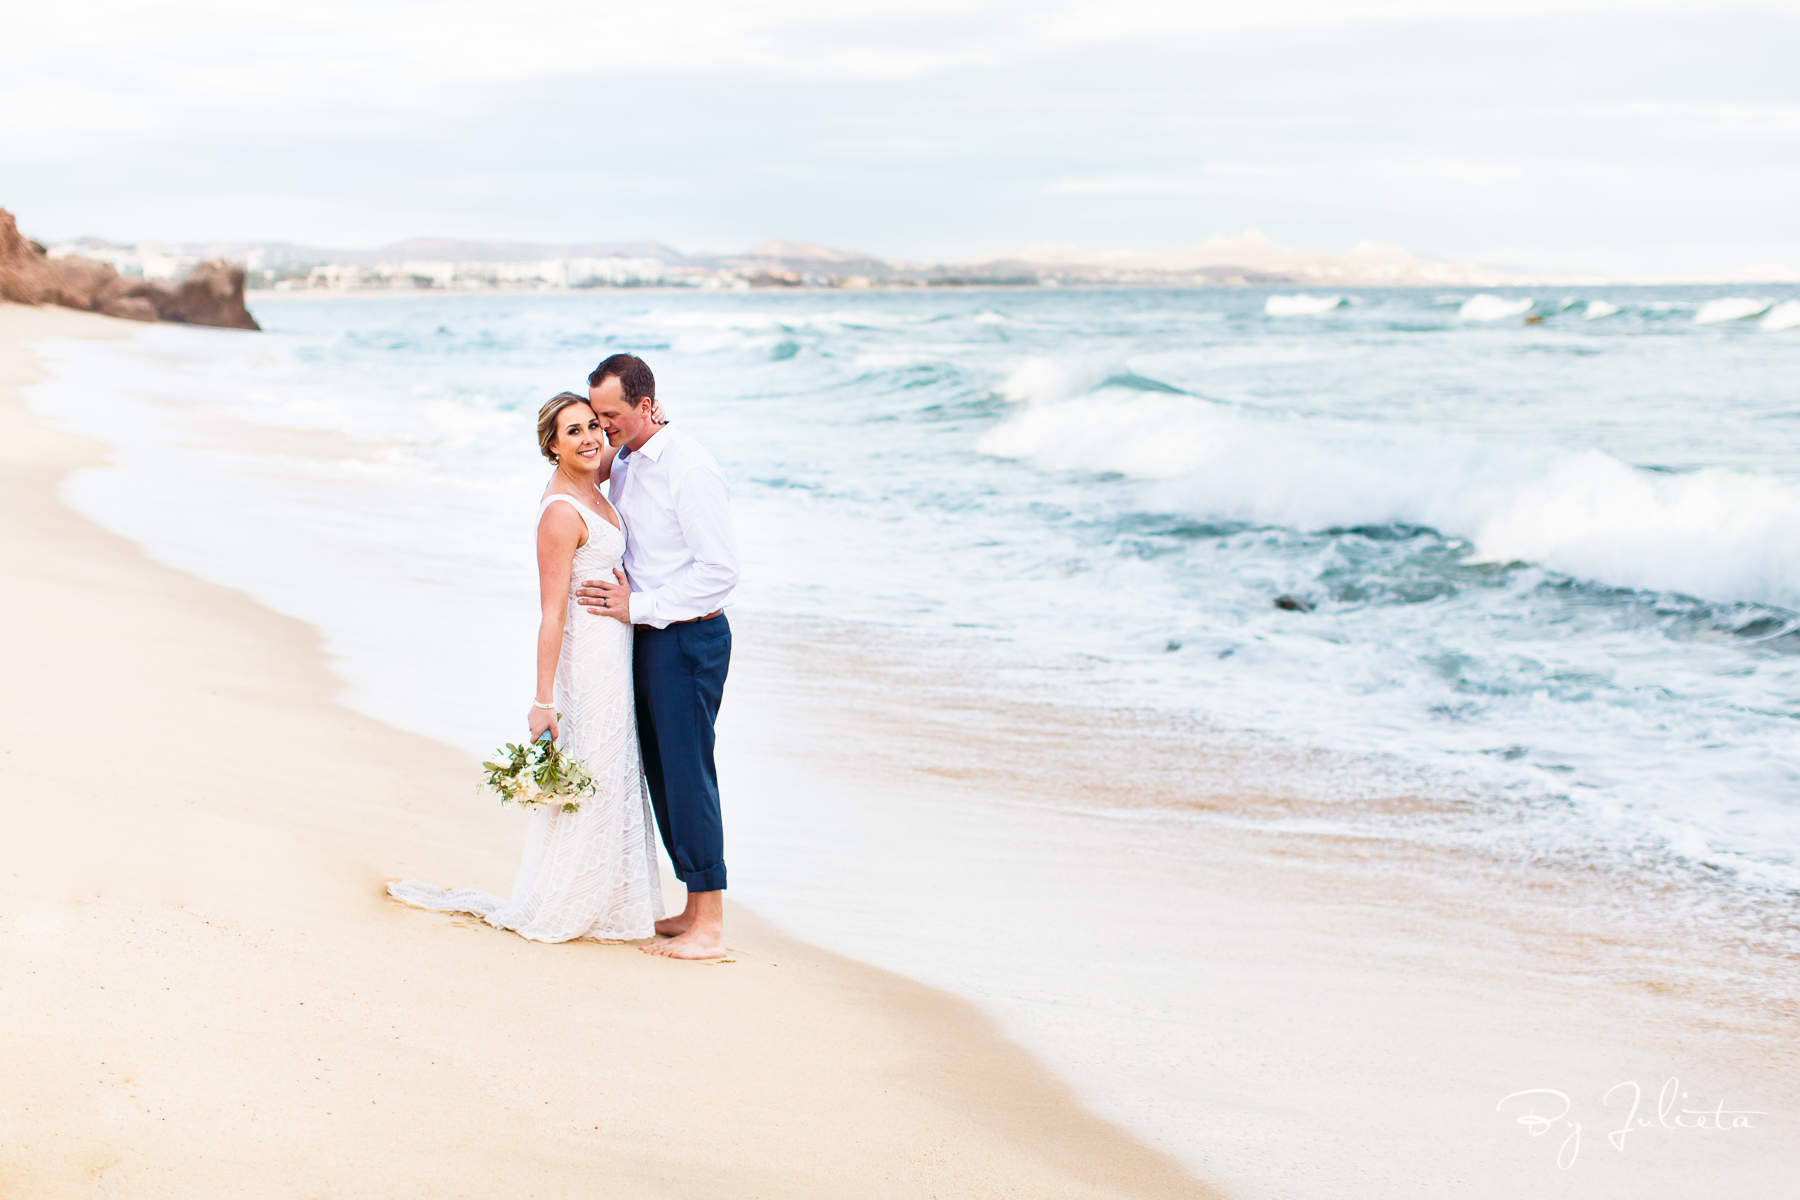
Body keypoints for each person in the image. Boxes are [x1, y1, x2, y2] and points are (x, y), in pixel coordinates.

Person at [386, 391, 665, 942]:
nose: (589, 438)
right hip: (586, 664)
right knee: (592, 773)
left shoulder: (596, 485)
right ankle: (568, 902)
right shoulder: (561, 511)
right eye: (574, 432)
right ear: (551, 445)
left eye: (593, 425)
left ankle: (605, 900)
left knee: (609, 776)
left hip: (615, 652)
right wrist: (543, 699)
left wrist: (648, 423)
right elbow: (552, 613)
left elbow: (635, 455)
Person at [577, 353, 739, 960]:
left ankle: (712, 925)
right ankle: (692, 905)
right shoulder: (623, 460)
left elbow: (720, 572)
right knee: (663, 776)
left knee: (689, 772)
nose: (602, 428)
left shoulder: (689, 467)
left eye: (611, 416)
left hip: (689, 638)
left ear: (646, 407)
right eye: (596, 416)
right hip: (647, 636)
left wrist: (637, 607)